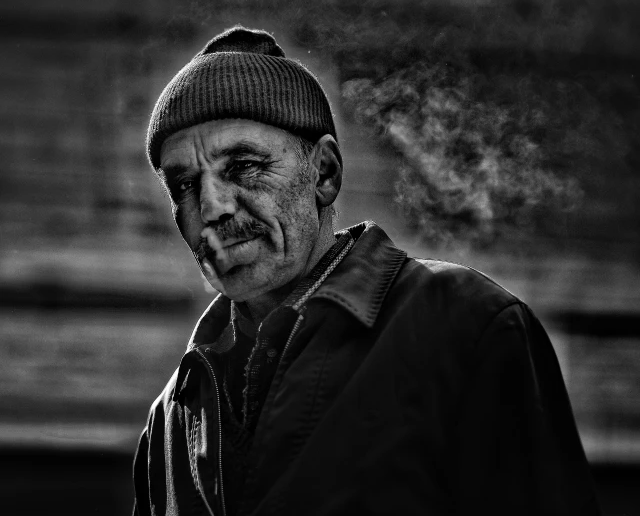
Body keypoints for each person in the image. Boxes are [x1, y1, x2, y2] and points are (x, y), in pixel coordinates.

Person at [133, 26, 600, 516]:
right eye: (183, 184)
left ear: (325, 172)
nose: (211, 207)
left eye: (244, 166)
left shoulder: (466, 325)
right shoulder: (172, 416)